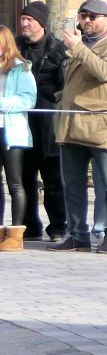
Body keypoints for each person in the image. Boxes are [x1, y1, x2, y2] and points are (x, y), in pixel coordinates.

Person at [51, 0, 107, 253]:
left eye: (93, 17)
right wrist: (60, 101)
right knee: (72, 183)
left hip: (100, 124)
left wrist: (79, 49)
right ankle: (77, 234)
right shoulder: (80, 46)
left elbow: (105, 72)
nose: (87, 21)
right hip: (72, 123)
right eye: (83, 16)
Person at [17, 1, 65, 241]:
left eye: (30, 20)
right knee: (24, 177)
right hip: (21, 125)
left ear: (42, 24)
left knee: (54, 179)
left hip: (49, 124)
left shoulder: (58, 48)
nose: (25, 23)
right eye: (23, 18)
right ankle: (29, 225)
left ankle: (57, 226)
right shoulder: (14, 47)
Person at [0, 28, 35, 249]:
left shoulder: (21, 69)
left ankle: (15, 233)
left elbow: (28, 99)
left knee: (15, 183)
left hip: (12, 131)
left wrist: (2, 104)